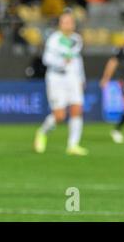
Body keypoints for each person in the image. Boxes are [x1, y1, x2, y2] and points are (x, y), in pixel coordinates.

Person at [34, 9, 88, 156]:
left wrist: (81, 78)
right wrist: (61, 62)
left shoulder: (77, 39)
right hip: (56, 78)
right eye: (65, 22)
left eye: (70, 22)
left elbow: (77, 60)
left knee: (77, 109)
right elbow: (46, 59)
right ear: (60, 24)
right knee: (60, 116)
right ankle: (42, 132)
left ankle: (73, 145)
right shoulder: (54, 39)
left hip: (72, 78)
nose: (68, 25)